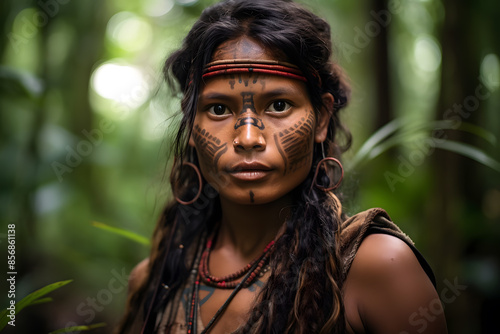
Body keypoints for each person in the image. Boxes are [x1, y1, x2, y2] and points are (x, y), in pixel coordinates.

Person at [116, 0, 448, 333]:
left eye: (278, 105)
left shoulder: (378, 267)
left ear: (321, 119)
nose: (247, 138)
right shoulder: (152, 282)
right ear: (190, 126)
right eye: (218, 109)